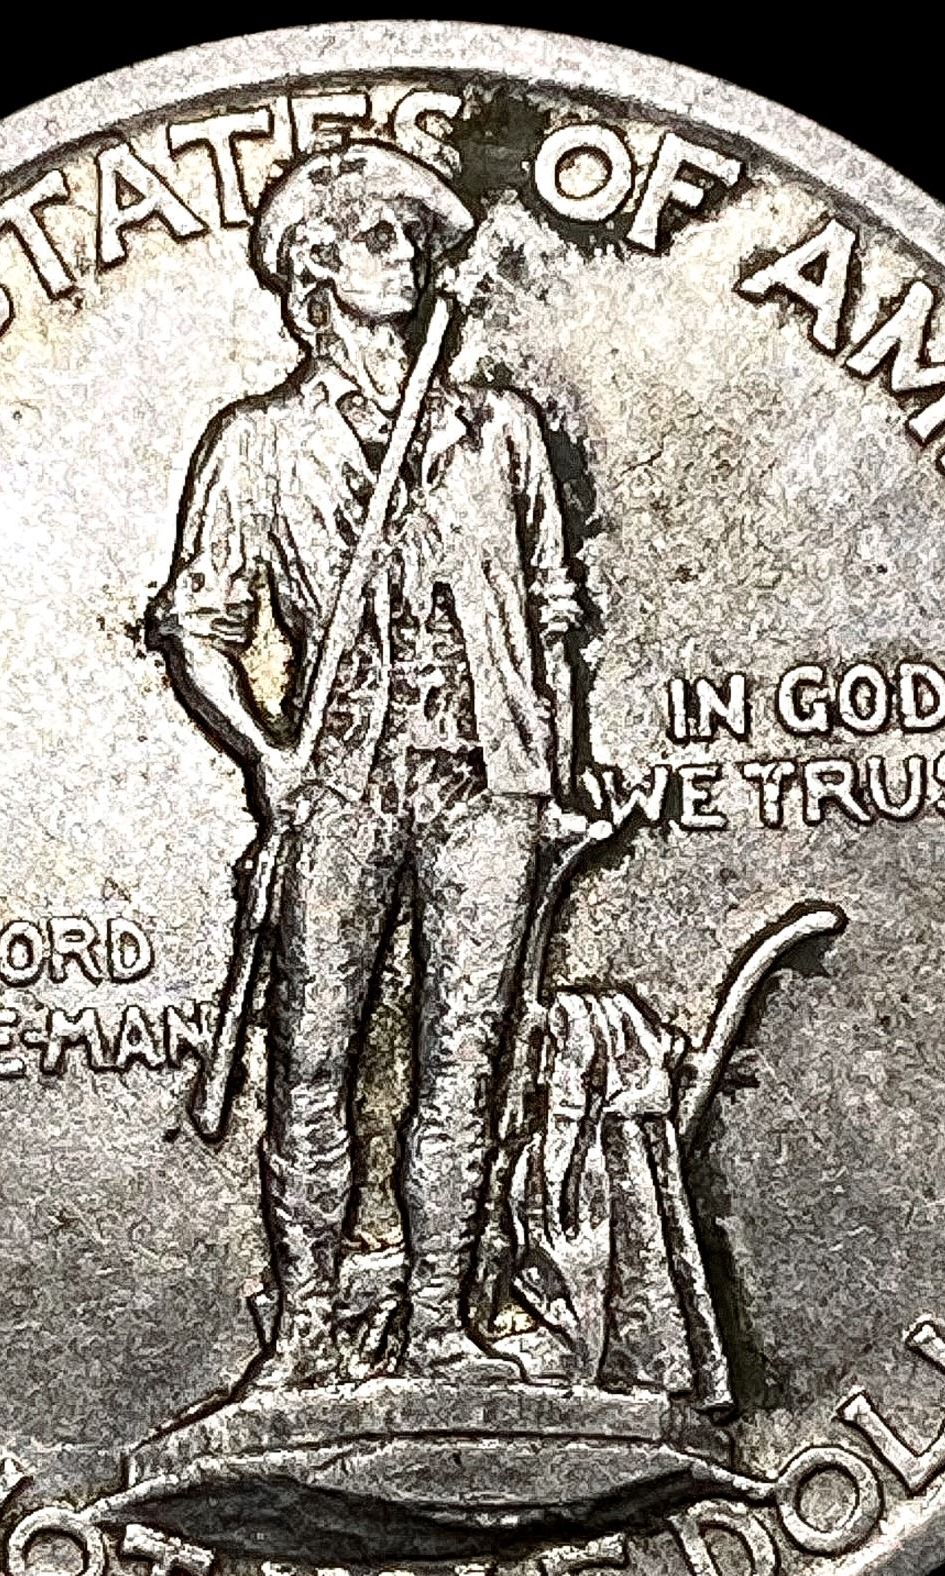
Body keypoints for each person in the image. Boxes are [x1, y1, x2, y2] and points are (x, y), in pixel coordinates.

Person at [150, 141, 583, 1390]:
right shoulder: (259, 445)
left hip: (488, 783)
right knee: (312, 1061)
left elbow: (553, 610)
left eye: (415, 241)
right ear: (316, 271)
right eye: (379, 239)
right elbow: (199, 624)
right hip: (339, 780)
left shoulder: (497, 431)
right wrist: (265, 755)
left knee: (467, 1060)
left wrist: (559, 765)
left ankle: (440, 1325)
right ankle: (304, 1335)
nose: (411, 260)